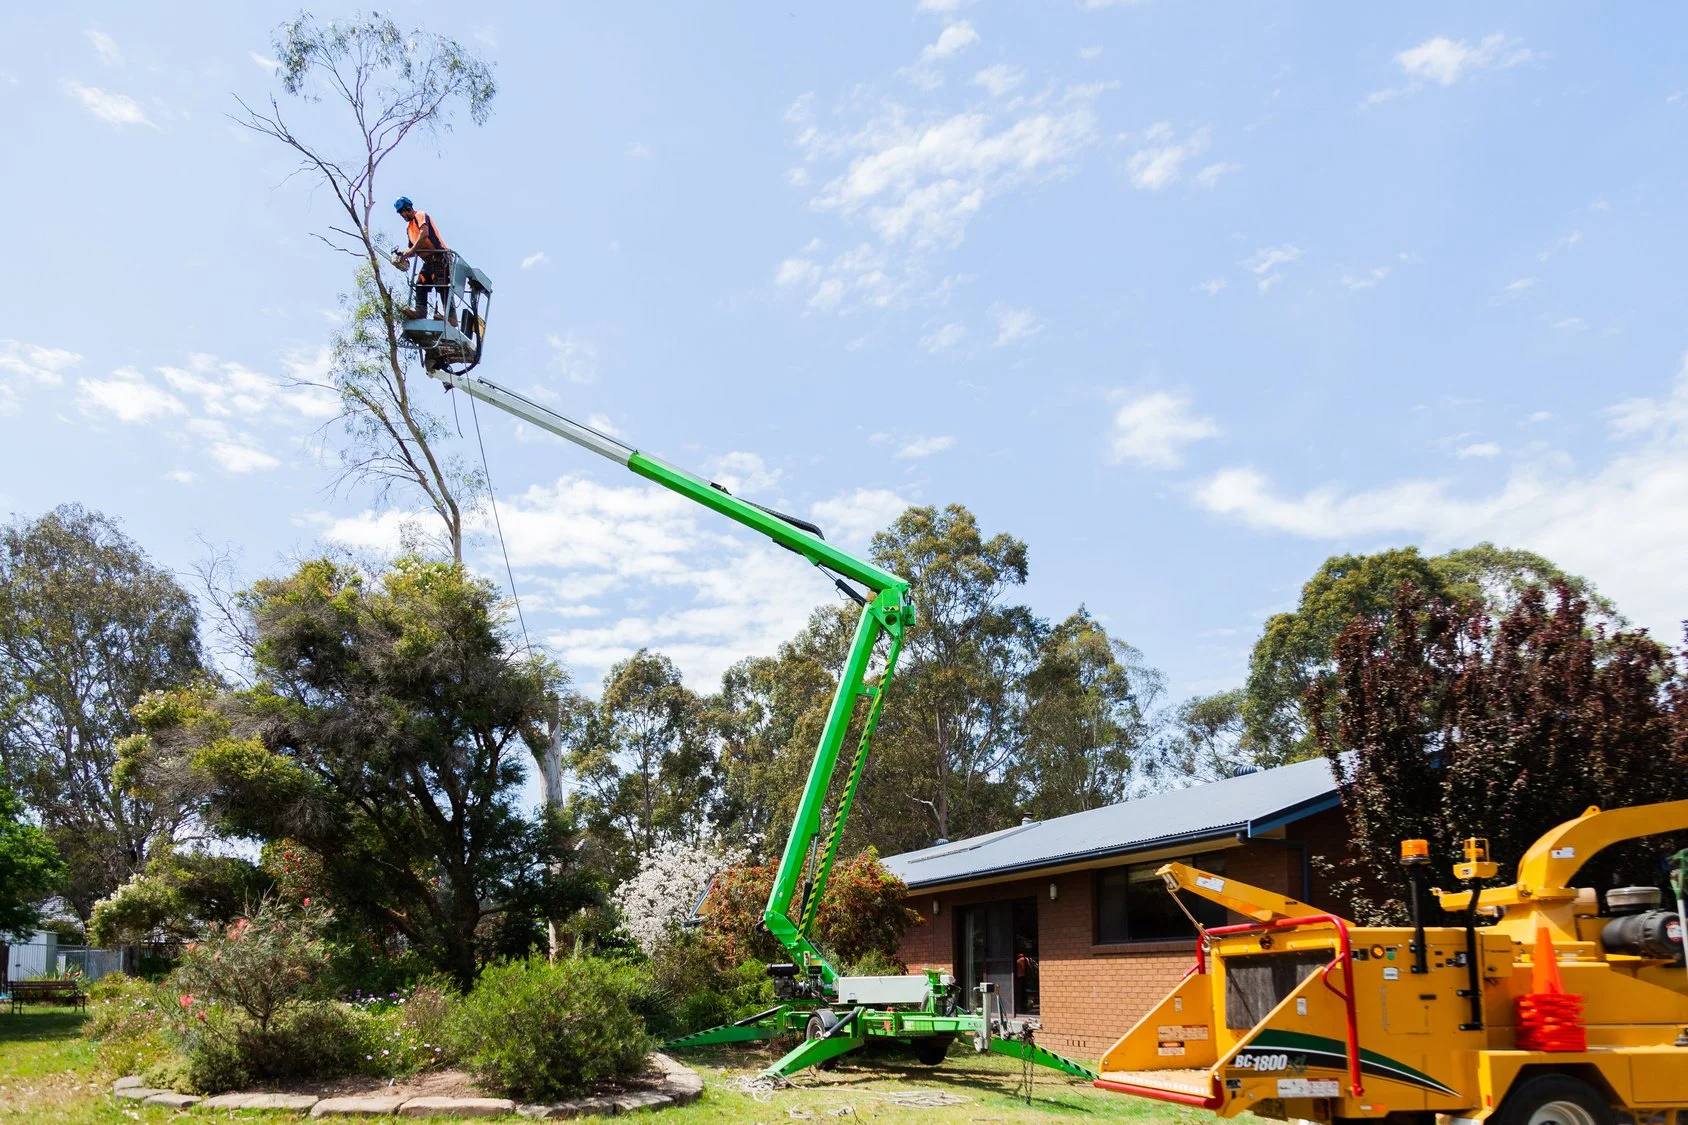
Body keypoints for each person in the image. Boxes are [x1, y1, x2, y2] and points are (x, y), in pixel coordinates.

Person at [393, 197, 452, 323]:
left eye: (404, 211)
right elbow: (413, 249)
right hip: (428, 262)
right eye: (400, 213)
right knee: (420, 284)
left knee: (441, 284)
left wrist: (411, 251)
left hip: (440, 257)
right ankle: (420, 311)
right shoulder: (409, 229)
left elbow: (424, 234)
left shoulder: (420, 215)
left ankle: (451, 317)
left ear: (409, 208)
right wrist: (403, 255)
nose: (403, 214)